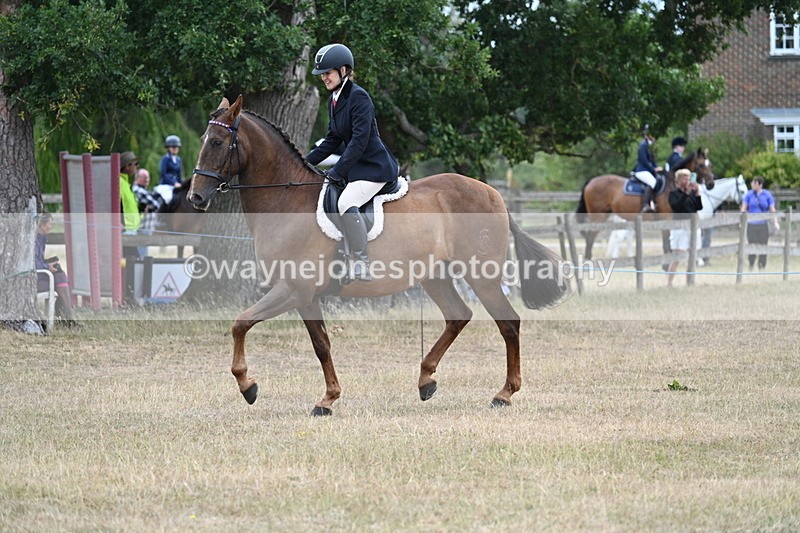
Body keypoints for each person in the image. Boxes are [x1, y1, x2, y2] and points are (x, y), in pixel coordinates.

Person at [305, 43, 400, 281]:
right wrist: (303, 162)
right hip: (356, 167)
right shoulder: (334, 100)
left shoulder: (359, 97)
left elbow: (359, 141)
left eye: (327, 72)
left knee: (346, 201)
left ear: (343, 70)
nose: (324, 78)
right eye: (322, 74)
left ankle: (361, 262)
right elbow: (332, 139)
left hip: (374, 168)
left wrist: (337, 171)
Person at [35, 213, 76, 326]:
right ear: (42, 225)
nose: (51, 227)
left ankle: (64, 319)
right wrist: (47, 266)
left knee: (60, 275)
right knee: (60, 277)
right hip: (33, 281)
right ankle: (66, 320)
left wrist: (48, 263)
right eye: (50, 224)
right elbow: (32, 263)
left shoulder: (41, 238)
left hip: (39, 276)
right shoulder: (35, 239)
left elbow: (38, 260)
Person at [666, 169, 703, 286]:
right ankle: (669, 282)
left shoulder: (691, 193)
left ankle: (689, 282)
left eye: (688, 179)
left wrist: (697, 193)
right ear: (678, 181)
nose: (687, 181)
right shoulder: (673, 194)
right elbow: (676, 206)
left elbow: (699, 207)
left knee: (692, 255)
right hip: (679, 227)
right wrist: (686, 193)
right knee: (677, 255)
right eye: (685, 179)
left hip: (692, 226)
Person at [741, 176, 779, 271]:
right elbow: (743, 209)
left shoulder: (767, 195)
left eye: (754, 183)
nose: (752, 185)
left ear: (760, 184)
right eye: (752, 183)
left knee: (763, 245)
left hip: (763, 224)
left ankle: (762, 266)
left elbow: (772, 210)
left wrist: (775, 222)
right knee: (751, 245)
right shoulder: (749, 195)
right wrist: (742, 221)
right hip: (751, 224)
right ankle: (751, 265)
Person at [633, 125, 663, 213]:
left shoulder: (649, 145)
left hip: (646, 170)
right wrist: (653, 169)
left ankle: (652, 201)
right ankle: (645, 204)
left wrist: (656, 167)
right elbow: (644, 160)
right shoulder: (643, 145)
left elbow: (652, 160)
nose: (655, 137)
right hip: (641, 170)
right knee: (652, 182)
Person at [119, 151, 142, 259]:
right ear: (127, 166)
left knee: (134, 262)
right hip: (125, 230)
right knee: (135, 261)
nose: (138, 167)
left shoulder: (125, 183)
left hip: (131, 230)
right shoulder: (119, 182)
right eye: (136, 164)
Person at [132, 167, 164, 234]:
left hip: (147, 228)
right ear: (137, 177)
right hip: (142, 228)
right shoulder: (137, 190)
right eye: (144, 177)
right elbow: (156, 205)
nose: (147, 179)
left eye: (148, 177)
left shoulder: (145, 191)